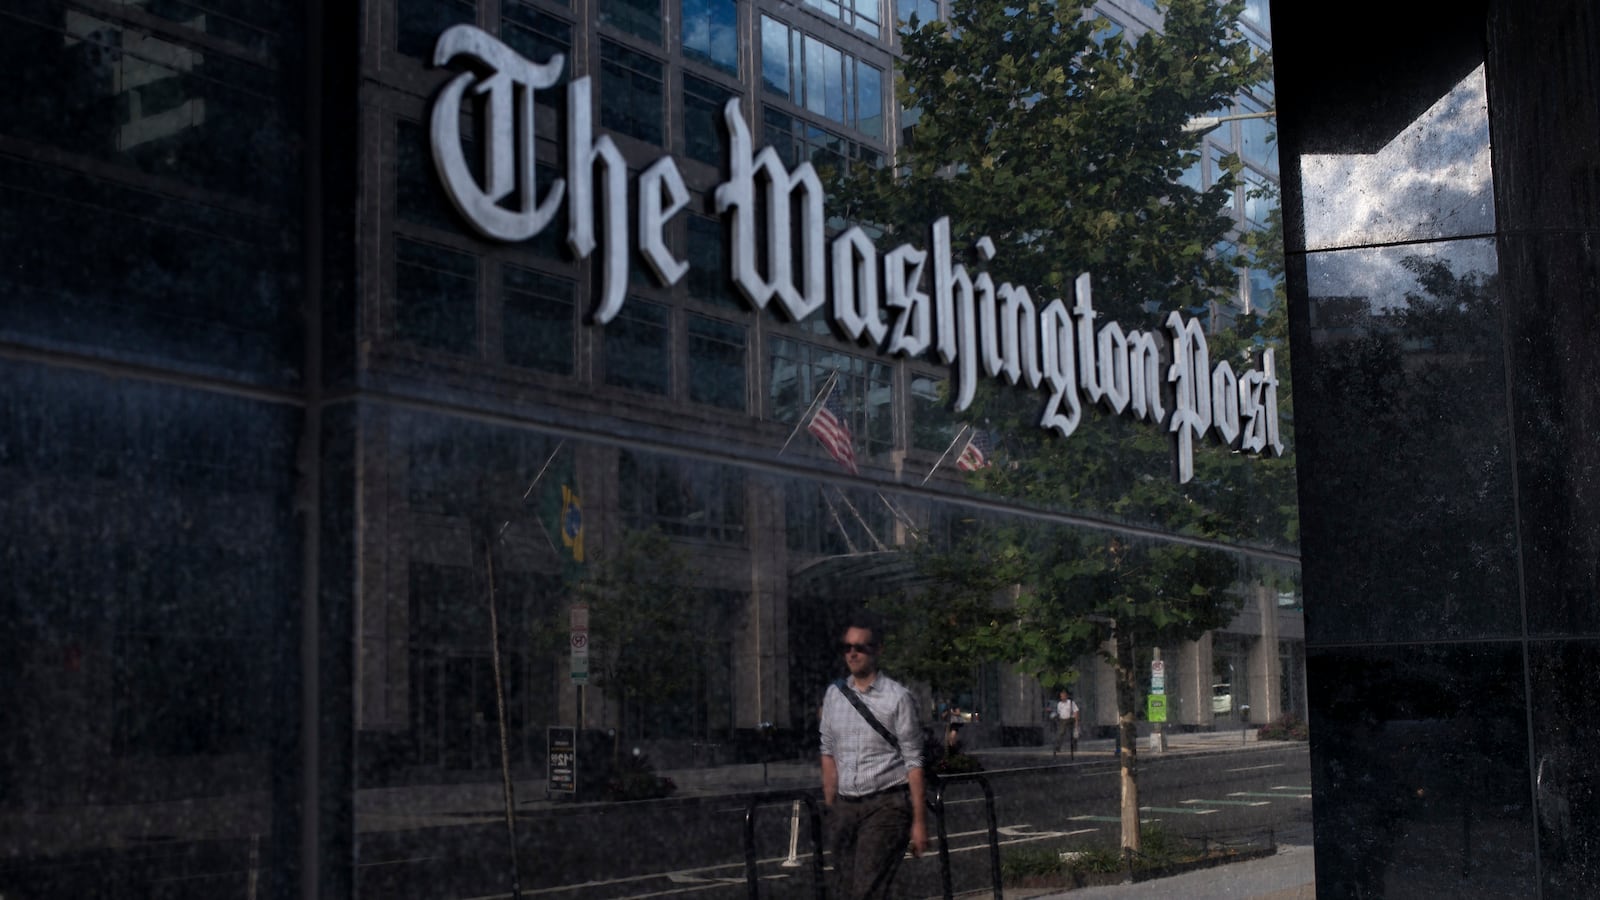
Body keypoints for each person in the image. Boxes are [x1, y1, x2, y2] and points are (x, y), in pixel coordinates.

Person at [820, 614, 927, 900]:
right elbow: (827, 751)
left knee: (866, 890)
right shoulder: (834, 695)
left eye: (861, 647)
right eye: (847, 647)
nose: (852, 653)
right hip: (845, 806)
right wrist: (831, 807)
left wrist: (919, 822)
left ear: (877, 650)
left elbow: (914, 761)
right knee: (842, 888)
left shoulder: (898, 698)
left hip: (886, 804)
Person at [1052, 689, 1080, 758]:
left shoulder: (1071, 702)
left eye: (1063, 696)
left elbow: (1076, 711)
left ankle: (1074, 747)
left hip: (1070, 718)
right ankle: (1057, 747)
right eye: (1061, 696)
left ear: (1066, 696)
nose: (1062, 698)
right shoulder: (1059, 704)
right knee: (1060, 733)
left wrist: (1076, 721)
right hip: (1063, 719)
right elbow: (1059, 712)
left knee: (1073, 734)